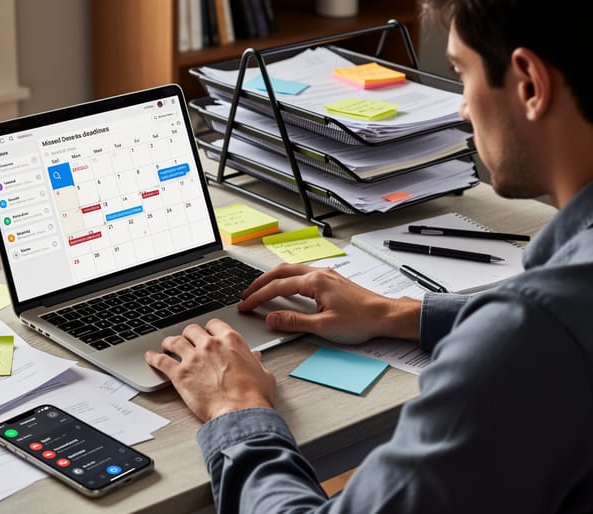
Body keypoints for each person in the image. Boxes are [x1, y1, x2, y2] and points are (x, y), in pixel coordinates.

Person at [144, 0, 593, 511]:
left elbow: (542, 332)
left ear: (530, 84)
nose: (463, 110)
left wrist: (235, 408)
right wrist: (396, 313)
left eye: (460, 74)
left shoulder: (528, 335)